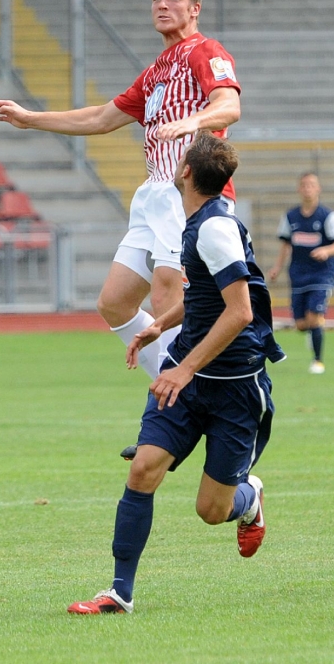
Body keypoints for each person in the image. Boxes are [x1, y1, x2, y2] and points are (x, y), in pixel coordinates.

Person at [0, 0, 241, 393]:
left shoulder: (205, 51)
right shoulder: (156, 71)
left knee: (167, 296)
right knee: (115, 302)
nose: (162, 5)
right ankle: (181, 390)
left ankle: (186, 398)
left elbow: (229, 105)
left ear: (195, 8)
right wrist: (31, 119)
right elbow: (101, 118)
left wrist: (192, 121)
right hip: (154, 193)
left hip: (191, 195)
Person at [67, 131, 285, 615]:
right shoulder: (195, 223)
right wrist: (159, 326)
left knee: (211, 510)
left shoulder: (214, 230)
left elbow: (240, 312)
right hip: (187, 378)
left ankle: (249, 498)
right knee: (143, 469)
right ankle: (119, 592)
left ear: (185, 172)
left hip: (234, 389)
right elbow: (204, 298)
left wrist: (183, 370)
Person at [268, 172, 334, 374]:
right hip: (298, 274)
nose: (307, 189)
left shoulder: (328, 216)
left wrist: (326, 250)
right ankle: (312, 333)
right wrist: (277, 267)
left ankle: (318, 361)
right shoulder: (290, 217)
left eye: (311, 185)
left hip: (322, 274)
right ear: (299, 189)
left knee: (314, 318)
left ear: (318, 189)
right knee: (302, 324)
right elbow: (286, 244)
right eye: (304, 185)